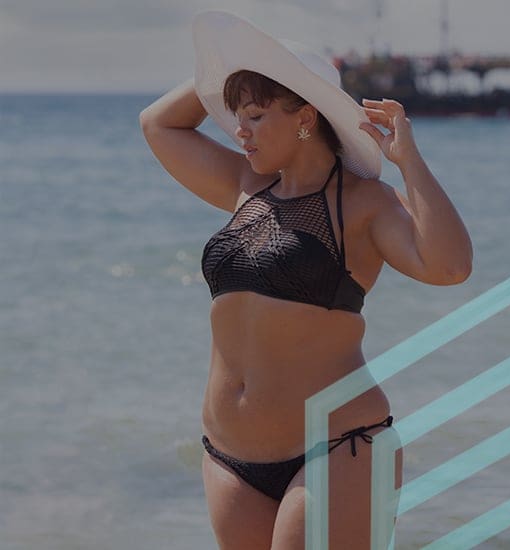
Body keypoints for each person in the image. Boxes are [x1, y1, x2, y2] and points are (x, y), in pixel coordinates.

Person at [140, 10, 472, 550]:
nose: (239, 130)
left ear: (305, 117)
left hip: (338, 446)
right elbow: (158, 124)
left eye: (254, 116)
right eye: (237, 116)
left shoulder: (365, 204)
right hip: (231, 458)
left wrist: (409, 163)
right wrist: (240, 64)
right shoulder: (247, 186)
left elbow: (450, 267)